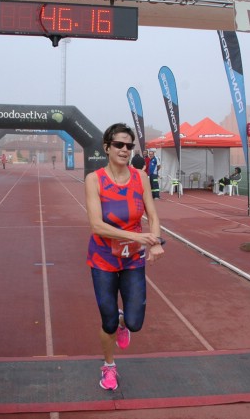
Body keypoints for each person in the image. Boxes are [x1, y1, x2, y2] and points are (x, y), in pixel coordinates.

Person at [85, 123, 165, 391]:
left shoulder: (139, 177)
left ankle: (123, 322)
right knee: (106, 322)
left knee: (134, 323)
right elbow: (96, 225)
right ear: (106, 147)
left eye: (129, 146)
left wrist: (154, 242)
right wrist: (139, 238)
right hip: (103, 258)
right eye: (119, 144)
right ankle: (109, 367)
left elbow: (152, 215)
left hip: (132, 259)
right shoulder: (94, 179)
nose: (124, 150)